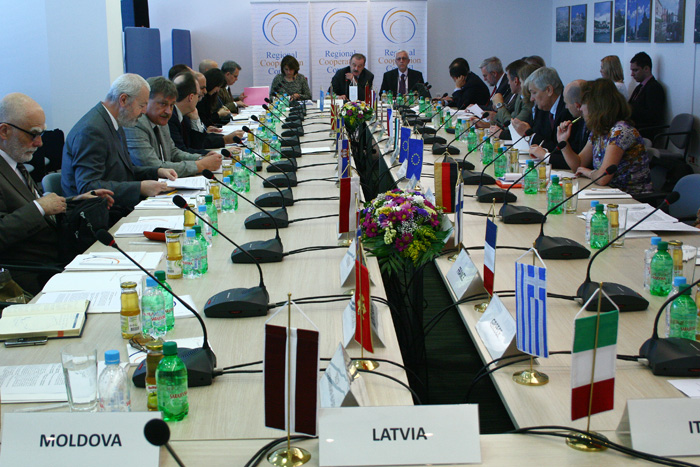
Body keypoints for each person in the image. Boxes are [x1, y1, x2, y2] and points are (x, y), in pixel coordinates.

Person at [0, 93, 113, 293]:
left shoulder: (16, 164)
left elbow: (30, 205)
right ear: (4, 131)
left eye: (41, 134)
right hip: (33, 274)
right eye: (33, 134)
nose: (40, 143)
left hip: (60, 255)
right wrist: (40, 207)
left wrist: (74, 201)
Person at [61, 74, 175, 217]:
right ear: (123, 99)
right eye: (141, 105)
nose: (144, 111)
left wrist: (156, 171)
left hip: (116, 207)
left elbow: (119, 169)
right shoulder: (92, 130)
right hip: (97, 216)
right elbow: (88, 187)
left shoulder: (115, 122)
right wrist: (139, 188)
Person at [556, 78, 652, 195]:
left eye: (584, 104)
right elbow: (579, 164)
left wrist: (589, 173)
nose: (580, 108)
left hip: (632, 198)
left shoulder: (620, 131)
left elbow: (602, 178)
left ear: (595, 106)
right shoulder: (599, 131)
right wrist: (563, 142)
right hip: (610, 193)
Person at [125, 77, 222, 177]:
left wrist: (201, 158)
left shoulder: (161, 120)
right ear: (146, 101)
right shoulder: (136, 124)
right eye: (163, 104)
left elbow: (173, 152)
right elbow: (153, 166)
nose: (168, 111)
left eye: (171, 105)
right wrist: (200, 165)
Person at [512, 67, 585, 169]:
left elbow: (563, 152)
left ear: (549, 90)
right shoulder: (543, 109)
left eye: (534, 92)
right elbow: (544, 140)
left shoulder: (569, 110)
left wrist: (531, 136)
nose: (532, 99)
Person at [168, 72, 240, 154]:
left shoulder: (185, 115)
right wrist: (218, 154)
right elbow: (182, 152)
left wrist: (195, 120)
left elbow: (197, 144)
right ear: (191, 97)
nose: (204, 94)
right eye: (198, 95)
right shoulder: (171, 118)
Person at [474, 60, 533, 132]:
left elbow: (512, 127)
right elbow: (510, 118)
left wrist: (499, 105)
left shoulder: (528, 100)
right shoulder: (518, 96)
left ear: (515, 81)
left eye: (508, 80)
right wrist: (487, 125)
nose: (508, 83)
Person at [628, 52, 666, 140]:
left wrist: (631, 110)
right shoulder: (639, 87)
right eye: (631, 70)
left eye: (635, 70)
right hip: (635, 128)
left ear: (646, 69)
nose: (632, 74)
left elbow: (652, 116)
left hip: (644, 131)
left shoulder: (654, 88)